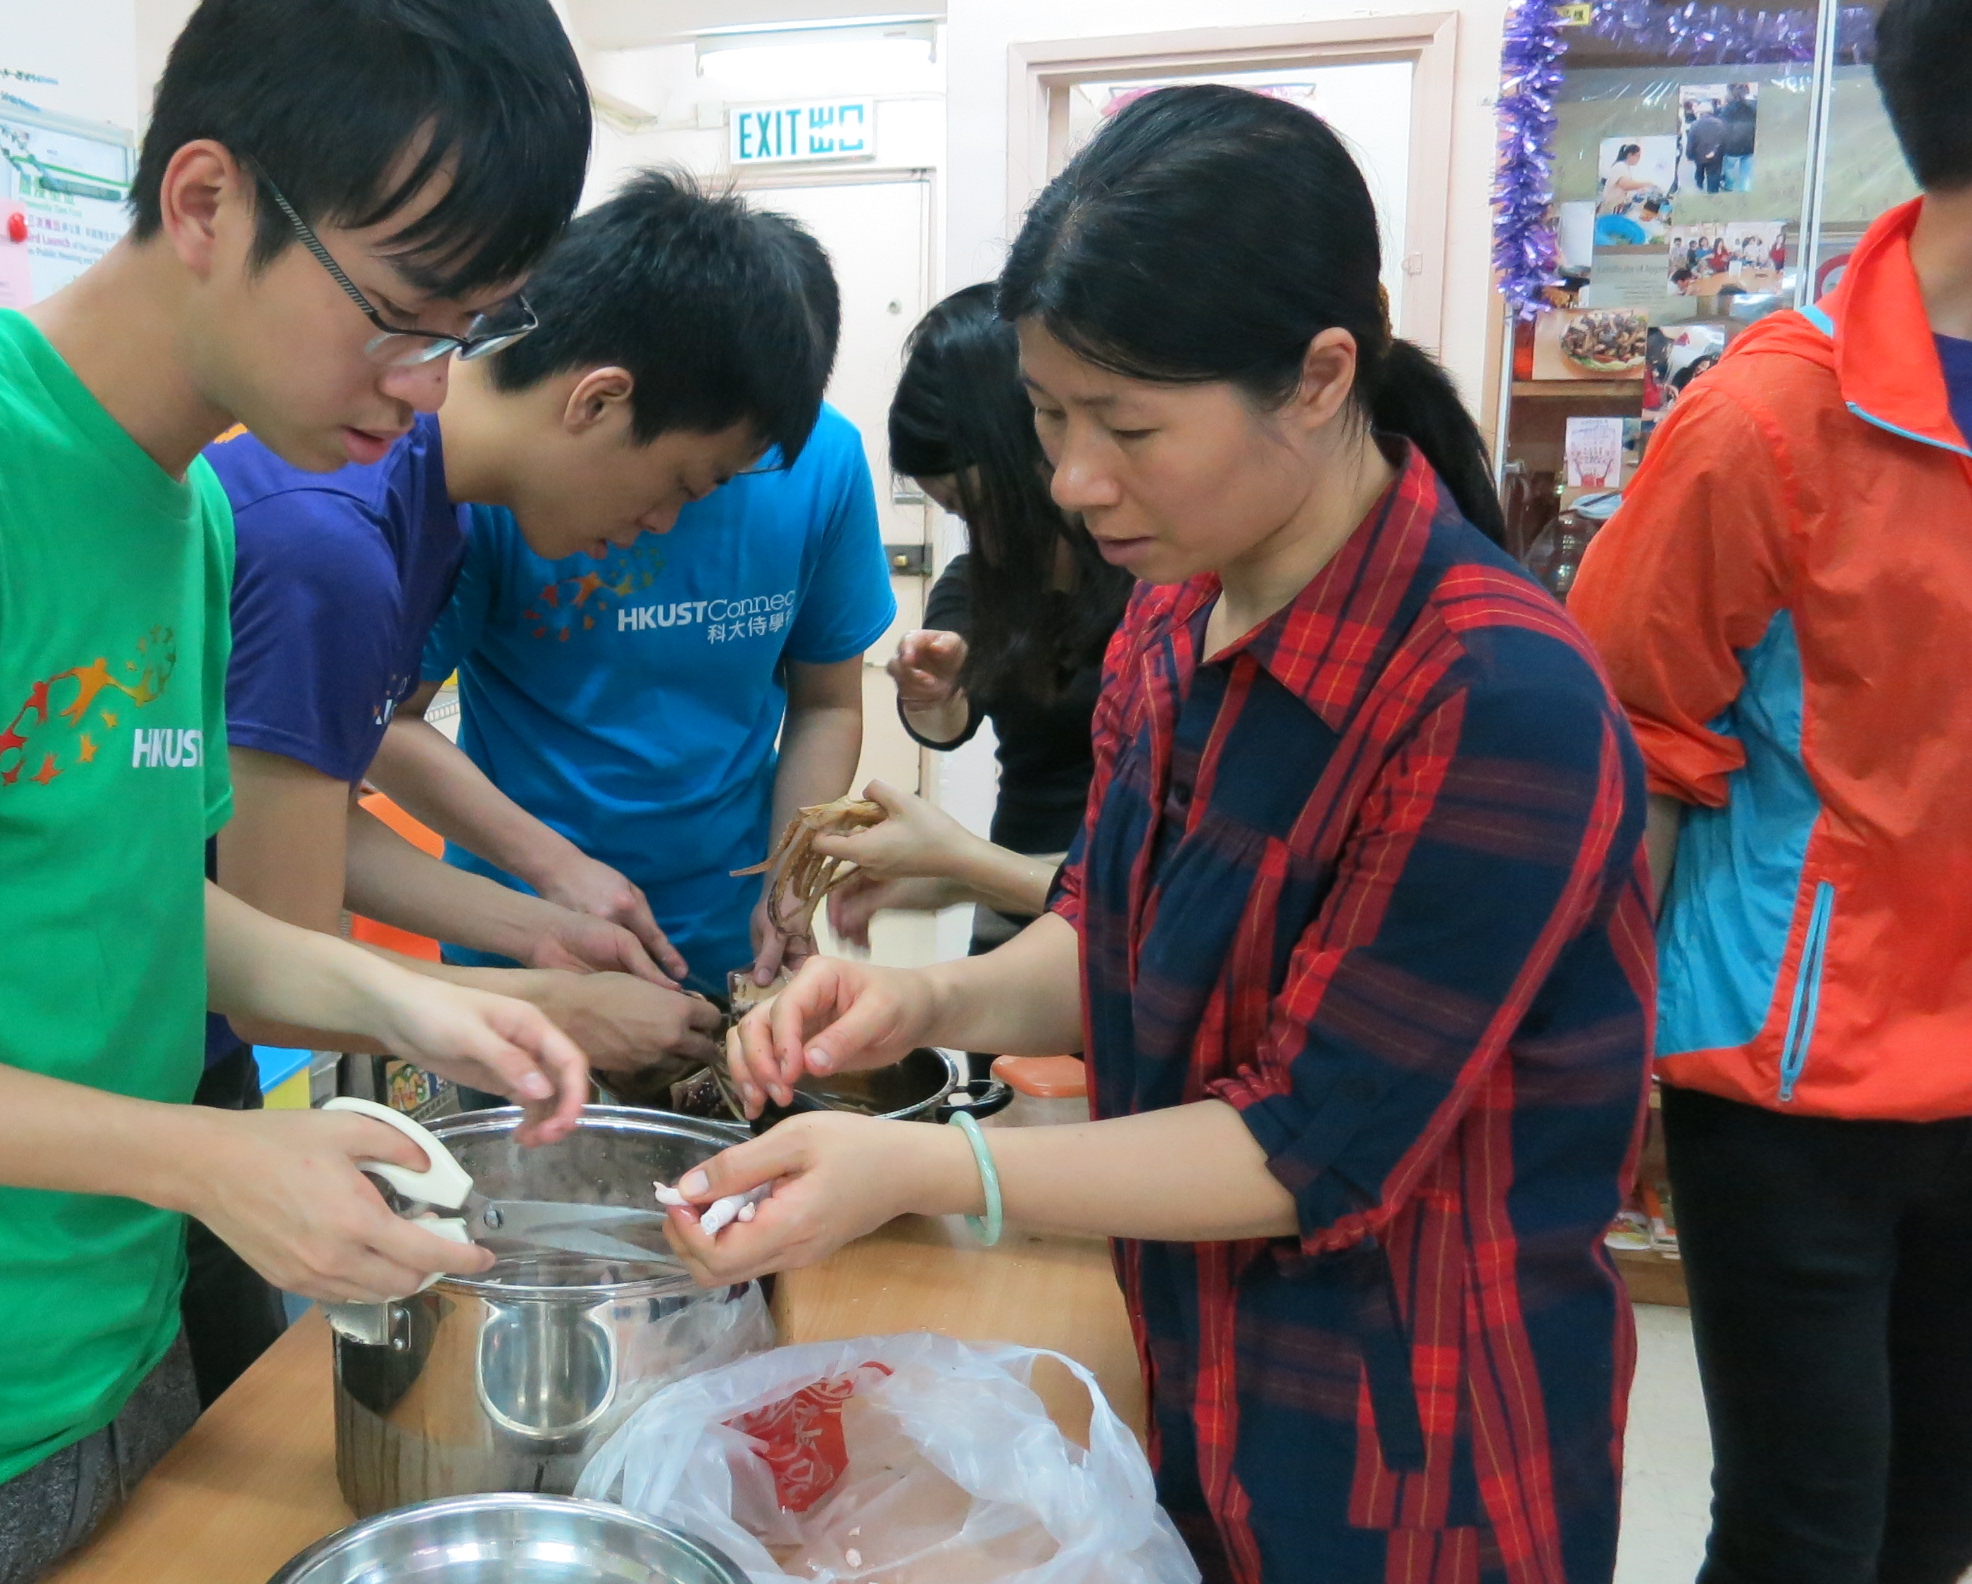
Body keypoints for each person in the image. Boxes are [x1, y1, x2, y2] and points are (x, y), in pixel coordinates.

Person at [0, 3, 597, 1577]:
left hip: (115, 1360)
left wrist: (408, 1006)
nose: (425, 389)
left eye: (461, 336)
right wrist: (201, 1158)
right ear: (207, 202)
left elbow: (134, 897)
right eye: (401, 317)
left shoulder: (187, 514)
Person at [672, 86, 1654, 1583]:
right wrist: (923, 1001)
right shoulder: (1174, 613)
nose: (1074, 480)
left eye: (1127, 426)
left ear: (1320, 377)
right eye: (1049, 416)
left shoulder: (1495, 697)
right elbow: (1113, 936)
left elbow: (1296, 1148)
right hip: (1195, 1372)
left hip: (1413, 1445)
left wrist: (924, 1170)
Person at [184, 170, 826, 1381]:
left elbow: (288, 824)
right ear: (598, 399)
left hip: (174, 1029)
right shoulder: (333, 536)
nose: (659, 527)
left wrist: (539, 926)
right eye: (678, 486)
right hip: (103, 1053)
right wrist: (547, 1013)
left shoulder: (420, 508)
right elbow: (278, 963)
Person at [1567, 1, 1972, 1577]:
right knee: (1808, 1534)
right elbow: (1629, 755)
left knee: (1935, 1526)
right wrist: (1605, 1081)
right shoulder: (1768, 418)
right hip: (1794, 1084)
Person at [367, 228, 891, 1000]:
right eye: (688, 479)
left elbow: (827, 703)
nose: (666, 519)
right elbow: (377, 727)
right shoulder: (471, 487)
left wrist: (788, 881)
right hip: (523, 937)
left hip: (726, 936)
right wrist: (555, 873)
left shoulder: (821, 463)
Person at [820, 283, 1130, 962]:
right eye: (959, 515)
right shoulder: (982, 584)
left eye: (983, 507)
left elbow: (1155, 903)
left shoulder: (1170, 598)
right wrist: (931, 694)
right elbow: (947, 723)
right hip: (1026, 930)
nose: (985, 541)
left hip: (1122, 948)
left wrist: (958, 866)